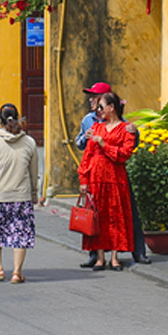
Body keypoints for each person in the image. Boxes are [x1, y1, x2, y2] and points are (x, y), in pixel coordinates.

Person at [0, 103, 38, 284]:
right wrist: (34, 194)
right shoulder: (29, 142)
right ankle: (17, 272)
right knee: (20, 234)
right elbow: (34, 172)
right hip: (22, 197)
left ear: (0, 121)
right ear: (18, 119)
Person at [77, 91, 136, 271]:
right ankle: (100, 257)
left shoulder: (125, 129)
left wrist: (104, 144)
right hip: (96, 178)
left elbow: (124, 154)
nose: (99, 110)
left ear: (112, 107)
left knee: (116, 217)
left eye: (101, 107)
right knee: (98, 217)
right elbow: (87, 156)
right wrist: (84, 179)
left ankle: (115, 257)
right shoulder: (96, 128)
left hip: (115, 178)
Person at [75, 81, 111, 267]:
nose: (91, 100)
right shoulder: (88, 119)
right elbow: (79, 143)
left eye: (95, 97)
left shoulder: (116, 119)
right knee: (92, 213)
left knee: (113, 214)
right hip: (93, 171)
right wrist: (85, 137)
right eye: (91, 97)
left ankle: (129, 253)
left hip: (112, 172)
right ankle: (93, 254)